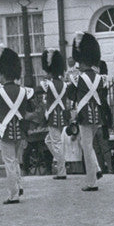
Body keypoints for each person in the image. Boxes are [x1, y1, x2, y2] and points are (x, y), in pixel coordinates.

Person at [0, 46, 33, 205]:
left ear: (3, 73)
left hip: (5, 130)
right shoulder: (23, 91)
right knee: (15, 161)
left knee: (9, 162)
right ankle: (18, 186)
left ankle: (13, 194)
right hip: (19, 130)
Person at [67, 32, 105, 192]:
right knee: (85, 144)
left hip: (84, 116)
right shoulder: (100, 78)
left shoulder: (78, 78)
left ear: (81, 61)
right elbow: (103, 96)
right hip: (98, 116)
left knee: (87, 146)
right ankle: (96, 170)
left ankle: (91, 182)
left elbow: (70, 94)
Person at [40, 49, 70, 180]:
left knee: (56, 143)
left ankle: (62, 171)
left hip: (53, 116)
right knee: (48, 140)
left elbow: (38, 91)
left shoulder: (48, 84)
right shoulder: (64, 84)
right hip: (62, 115)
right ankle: (61, 161)